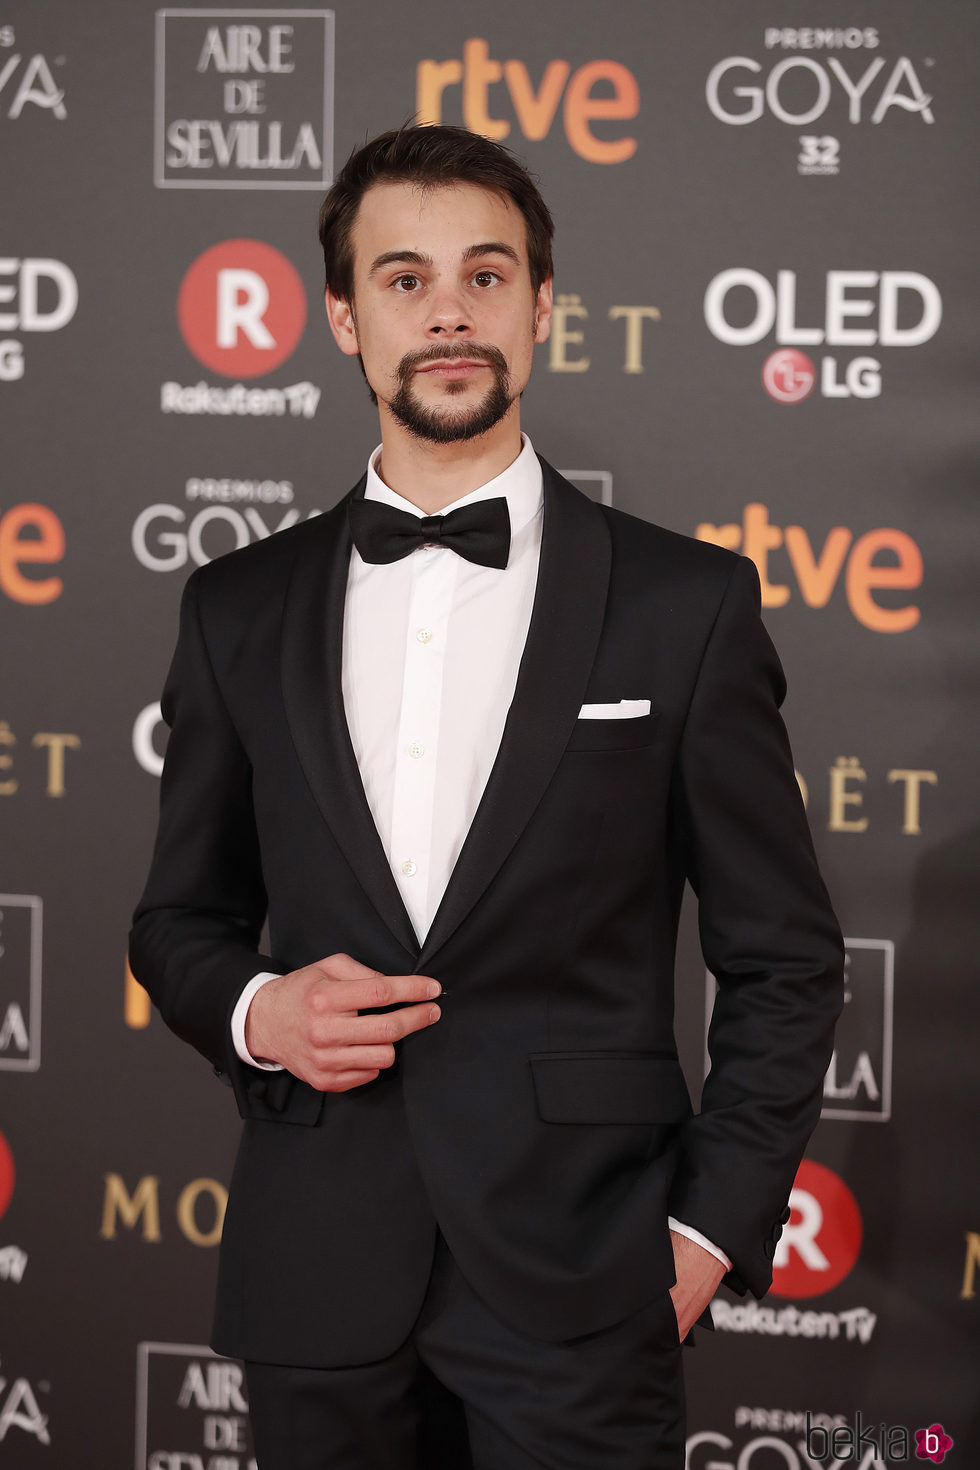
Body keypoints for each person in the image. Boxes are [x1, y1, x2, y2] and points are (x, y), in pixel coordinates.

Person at [130, 125, 844, 1470]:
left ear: (542, 307)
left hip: (588, 1284)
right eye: (404, 279)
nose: (448, 310)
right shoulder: (236, 608)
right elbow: (176, 918)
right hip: (317, 1271)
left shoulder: (686, 606)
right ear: (341, 312)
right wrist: (258, 1009)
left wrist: (701, 1237)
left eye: (486, 273)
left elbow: (788, 959)